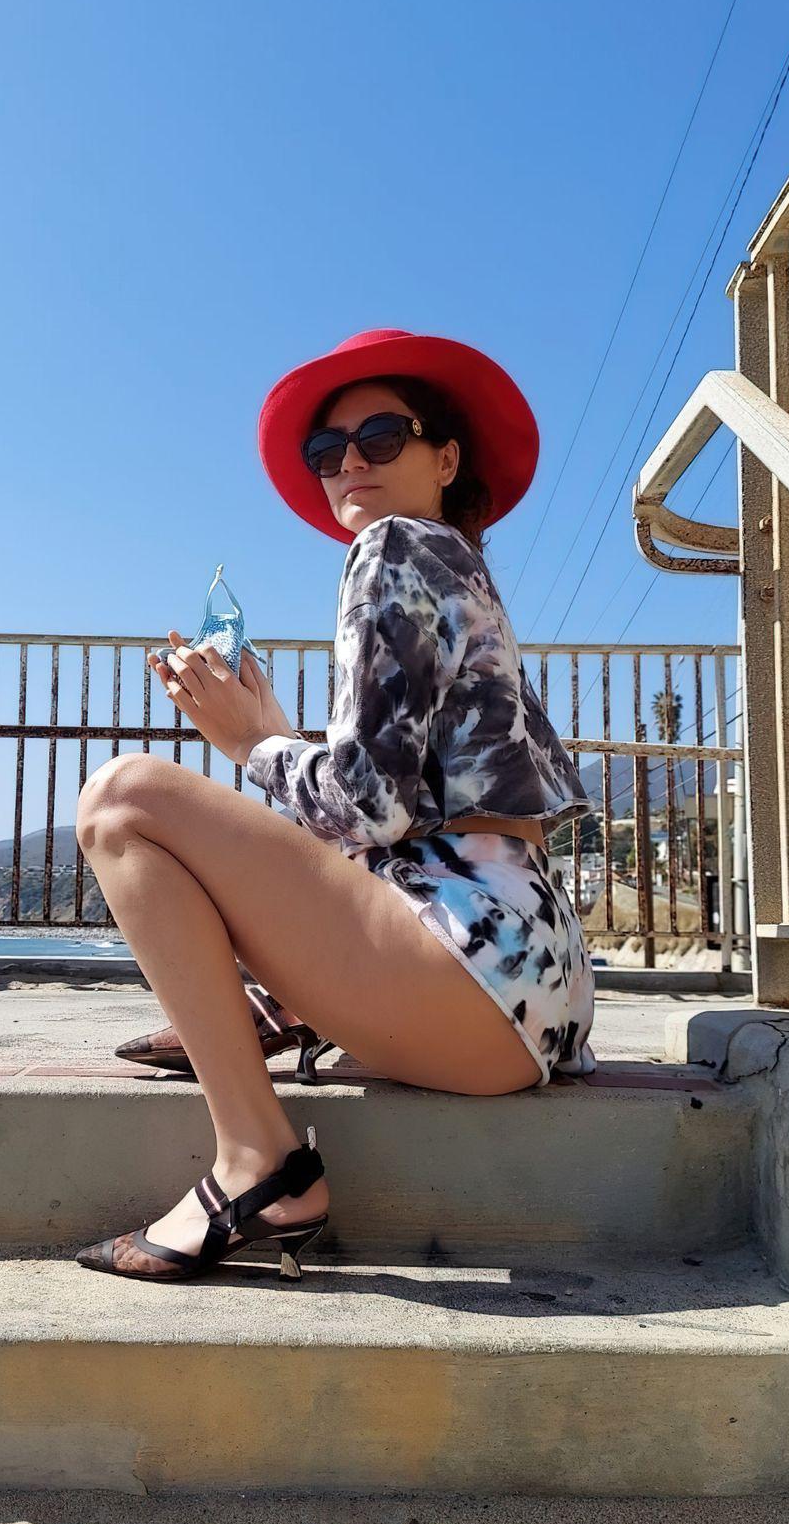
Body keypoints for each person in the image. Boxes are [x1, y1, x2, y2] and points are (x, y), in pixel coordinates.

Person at [73, 328, 598, 1283]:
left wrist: (251, 745)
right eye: (328, 450)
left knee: (121, 801)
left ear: (446, 459)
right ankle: (282, 1011)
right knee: (177, 810)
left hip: (469, 974)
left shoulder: (391, 548)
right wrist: (278, 733)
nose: (351, 461)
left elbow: (367, 809)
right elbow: (403, 811)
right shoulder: (457, 569)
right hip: (537, 991)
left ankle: (258, 1161)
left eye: (382, 437)